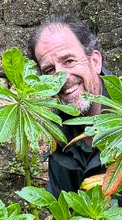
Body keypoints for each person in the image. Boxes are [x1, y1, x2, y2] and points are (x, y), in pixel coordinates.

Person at [27, 15, 107, 197]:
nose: (61, 77)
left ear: (94, 61)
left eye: (69, 61)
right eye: (49, 70)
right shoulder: (57, 134)